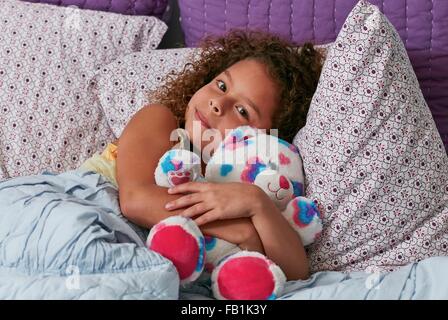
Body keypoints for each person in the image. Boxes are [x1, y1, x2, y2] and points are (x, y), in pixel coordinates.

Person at [81, 29, 323, 281]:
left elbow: (295, 275)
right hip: (82, 215)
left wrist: (257, 203)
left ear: (266, 139)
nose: (218, 103)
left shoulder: (244, 188)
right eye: (221, 85)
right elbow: (135, 200)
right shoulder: (161, 123)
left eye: (242, 111)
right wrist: (242, 231)